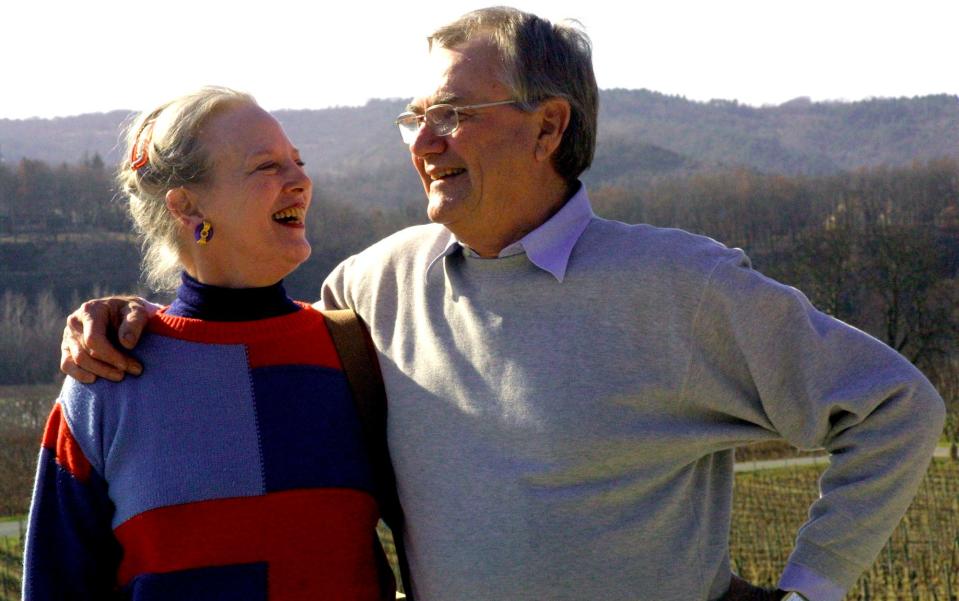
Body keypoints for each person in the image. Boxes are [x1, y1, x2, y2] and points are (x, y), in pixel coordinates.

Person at [59, 8, 945, 601]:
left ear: (548, 126)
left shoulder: (682, 286)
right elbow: (242, 330)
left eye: (450, 113)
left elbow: (894, 407)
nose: (424, 143)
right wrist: (126, 318)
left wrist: (809, 588)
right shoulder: (377, 283)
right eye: (416, 118)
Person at [26, 87, 398, 600]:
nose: (301, 181)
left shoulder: (354, 352)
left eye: (298, 161)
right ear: (187, 206)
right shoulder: (105, 381)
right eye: (268, 166)